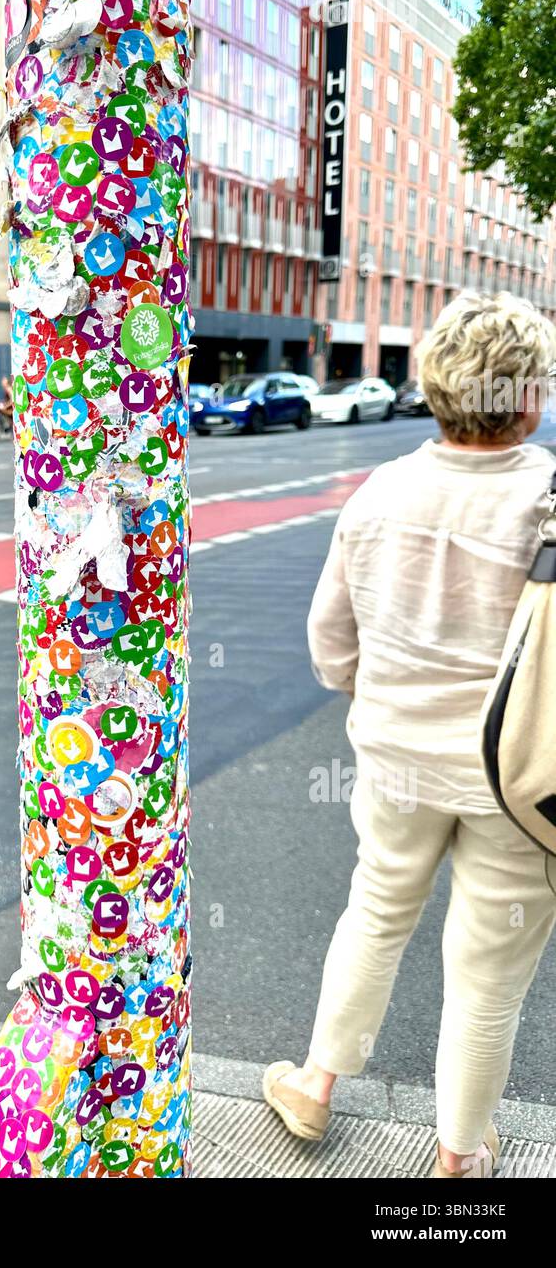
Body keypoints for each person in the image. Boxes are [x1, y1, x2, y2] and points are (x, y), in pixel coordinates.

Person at [264, 292, 556, 1178]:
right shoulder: (545, 496)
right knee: (487, 973)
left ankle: (315, 1085)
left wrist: (380, 691)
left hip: (394, 758)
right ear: (530, 397)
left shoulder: (381, 491)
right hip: (518, 778)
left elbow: (329, 644)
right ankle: (458, 1157)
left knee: (376, 912)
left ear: (432, 388)